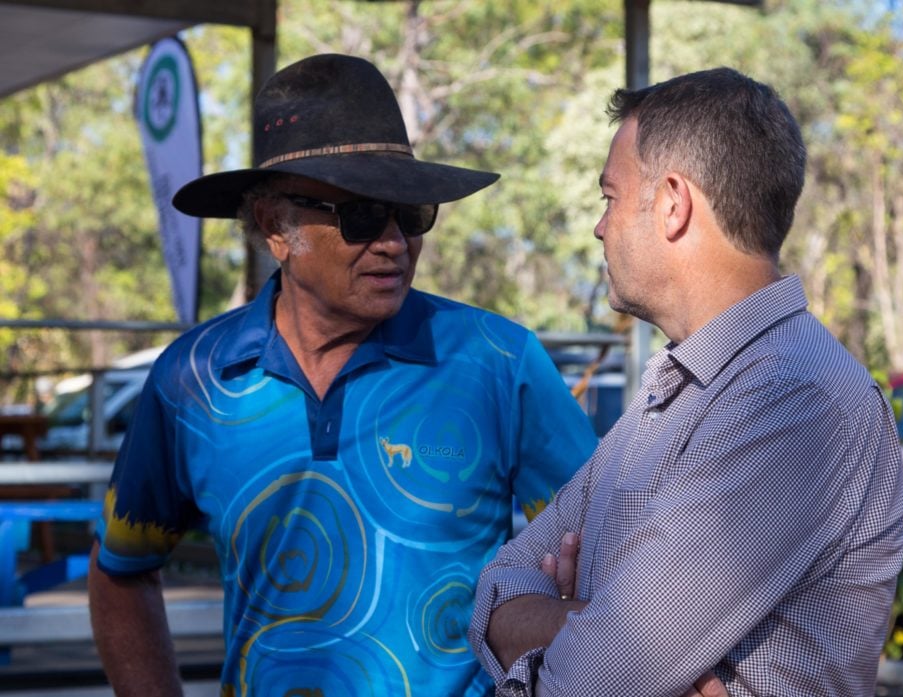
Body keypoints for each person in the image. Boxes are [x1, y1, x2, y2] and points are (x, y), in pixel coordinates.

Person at [87, 53, 598, 697]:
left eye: (411, 215)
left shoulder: (499, 363)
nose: (393, 242)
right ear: (277, 226)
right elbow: (122, 570)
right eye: (361, 215)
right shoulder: (193, 381)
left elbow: (608, 555)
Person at [468, 67, 903, 696]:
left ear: (673, 203)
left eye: (609, 197)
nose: (600, 227)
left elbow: (595, 679)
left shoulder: (798, 397)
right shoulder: (669, 390)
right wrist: (588, 630)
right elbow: (498, 590)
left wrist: (590, 644)